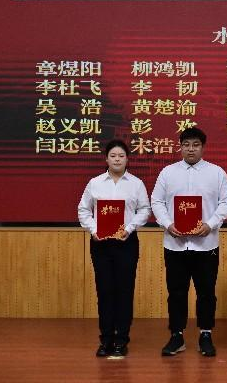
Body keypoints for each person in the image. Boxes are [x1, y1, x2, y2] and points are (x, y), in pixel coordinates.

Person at [151, 127, 227, 357]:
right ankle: (176, 336)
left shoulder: (217, 173)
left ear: (203, 147)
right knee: (176, 292)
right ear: (180, 147)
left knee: (206, 292)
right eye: (186, 144)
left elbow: (226, 202)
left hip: (206, 245)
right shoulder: (167, 173)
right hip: (175, 244)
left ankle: (206, 334)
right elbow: (156, 201)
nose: (190, 149)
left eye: (195, 144)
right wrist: (168, 224)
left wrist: (211, 224)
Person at [78, 139, 150, 358]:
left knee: (124, 290)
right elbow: (83, 210)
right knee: (105, 290)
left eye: (121, 156)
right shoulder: (95, 183)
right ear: (106, 159)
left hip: (126, 243)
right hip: (101, 244)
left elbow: (144, 210)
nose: (117, 159)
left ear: (127, 159)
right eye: (113, 156)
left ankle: (121, 339)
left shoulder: (136, 184)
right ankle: (106, 339)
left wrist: (128, 228)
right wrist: (93, 230)